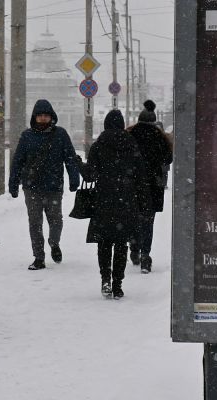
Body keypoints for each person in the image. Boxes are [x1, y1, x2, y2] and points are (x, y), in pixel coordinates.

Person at [78, 109, 149, 299]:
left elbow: (90, 175)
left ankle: (105, 280)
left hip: (104, 201)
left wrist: (78, 164)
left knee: (104, 243)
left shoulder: (99, 146)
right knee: (120, 244)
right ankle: (118, 284)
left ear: (106, 125)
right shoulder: (132, 145)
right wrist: (144, 203)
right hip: (126, 201)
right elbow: (141, 177)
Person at [9, 99, 80, 270]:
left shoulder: (60, 134)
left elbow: (70, 158)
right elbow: (18, 160)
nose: (42, 118)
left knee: (56, 220)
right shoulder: (27, 136)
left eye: (46, 115)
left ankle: (54, 243)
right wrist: (13, 183)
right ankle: (39, 257)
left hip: (54, 186)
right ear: (35, 117)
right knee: (35, 223)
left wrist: (74, 178)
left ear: (51, 117)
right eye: (39, 115)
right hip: (31, 187)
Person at [127, 100, 173, 274]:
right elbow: (168, 159)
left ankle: (134, 248)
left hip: (131, 184)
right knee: (148, 221)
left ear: (139, 119)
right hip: (153, 185)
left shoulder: (130, 134)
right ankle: (146, 255)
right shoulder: (160, 136)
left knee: (133, 218)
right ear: (154, 120)